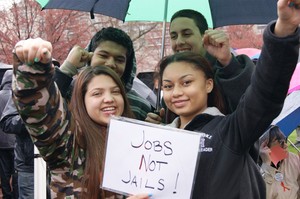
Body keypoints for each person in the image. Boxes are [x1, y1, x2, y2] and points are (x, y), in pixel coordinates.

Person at [155, 0, 300, 197]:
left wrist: (283, 32)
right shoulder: (158, 139)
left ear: (209, 84)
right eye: (168, 86)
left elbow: (264, 94)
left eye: (187, 82)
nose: (177, 92)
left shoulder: (229, 131)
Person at [11, 39, 152, 198]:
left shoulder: (139, 144)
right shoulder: (70, 142)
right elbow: (39, 109)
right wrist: (33, 69)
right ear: (82, 100)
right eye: (97, 93)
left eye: (115, 92)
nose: (109, 99)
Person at [54, 27, 153, 121]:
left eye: (119, 60)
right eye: (103, 56)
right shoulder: (68, 90)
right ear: (89, 56)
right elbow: (44, 108)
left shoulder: (140, 106)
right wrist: (67, 68)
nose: (110, 64)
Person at [0, 95, 34, 199]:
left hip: (60, 165)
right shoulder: (22, 90)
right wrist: (34, 118)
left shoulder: (63, 83)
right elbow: (6, 122)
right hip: (29, 166)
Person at [259, 125, 300, 199]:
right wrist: (267, 166)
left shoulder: (293, 159)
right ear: (265, 146)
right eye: (280, 142)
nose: (286, 146)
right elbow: (262, 195)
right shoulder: (256, 168)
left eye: (285, 140)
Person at [0, 69, 18, 199]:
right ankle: (17, 194)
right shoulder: (17, 95)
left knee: (4, 172)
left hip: (1, 142)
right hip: (15, 140)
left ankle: (7, 195)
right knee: (17, 171)